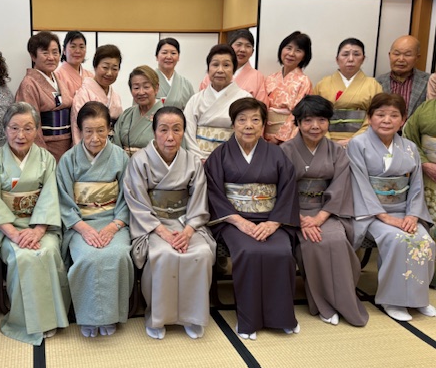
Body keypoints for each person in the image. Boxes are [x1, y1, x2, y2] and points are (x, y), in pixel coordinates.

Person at [0, 102, 70, 345]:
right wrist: (14, 234)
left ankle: (53, 318)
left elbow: (50, 196)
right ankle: (26, 323)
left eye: (28, 128)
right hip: (7, 228)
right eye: (14, 128)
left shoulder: (46, 159)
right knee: (24, 256)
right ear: (5, 129)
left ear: (37, 130)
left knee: (48, 251)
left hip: (41, 226)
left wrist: (38, 230)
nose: (21, 135)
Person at [205, 97, 300, 340]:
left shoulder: (277, 154)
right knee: (248, 251)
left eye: (255, 120)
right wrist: (239, 221)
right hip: (233, 221)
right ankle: (248, 320)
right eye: (242, 120)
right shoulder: (219, 155)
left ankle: (282, 318)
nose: (249, 125)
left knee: (282, 252)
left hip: (271, 219)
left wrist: (274, 222)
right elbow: (214, 193)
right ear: (233, 124)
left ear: (263, 124)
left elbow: (288, 189)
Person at [124, 107, 215, 340]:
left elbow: (198, 200)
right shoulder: (139, 161)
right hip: (153, 224)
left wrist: (188, 231)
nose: (170, 137)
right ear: (154, 132)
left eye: (177, 130)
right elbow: (137, 201)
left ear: (184, 132)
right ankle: (158, 317)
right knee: (163, 253)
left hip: (186, 222)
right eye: (163, 130)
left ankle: (192, 317)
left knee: (201, 253)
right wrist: (162, 232)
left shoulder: (192, 161)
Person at [281, 96, 368, 326]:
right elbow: (281, 189)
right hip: (293, 213)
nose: (315, 126)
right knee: (312, 243)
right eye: (308, 120)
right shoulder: (285, 150)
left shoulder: (337, 151)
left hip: (327, 210)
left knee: (336, 239)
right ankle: (323, 305)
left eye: (321, 120)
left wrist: (320, 217)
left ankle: (342, 302)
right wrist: (300, 219)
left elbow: (340, 186)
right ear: (298, 123)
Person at [347, 93, 435, 321]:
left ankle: (418, 299)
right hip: (371, 213)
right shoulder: (357, 144)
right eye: (380, 114)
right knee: (398, 240)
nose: (387, 120)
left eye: (394, 115)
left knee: (425, 242)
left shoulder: (410, 147)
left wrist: (413, 215)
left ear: (403, 119)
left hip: (404, 211)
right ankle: (392, 300)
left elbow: (416, 185)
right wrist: (384, 217)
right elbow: (359, 184)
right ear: (369, 117)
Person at [57, 102, 133, 338]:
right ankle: (88, 317)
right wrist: (83, 229)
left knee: (118, 254)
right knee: (88, 256)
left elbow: (128, 197)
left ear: (109, 129)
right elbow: (63, 200)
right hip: (80, 223)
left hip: (113, 221)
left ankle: (111, 315)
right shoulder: (68, 159)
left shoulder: (120, 157)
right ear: (79, 130)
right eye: (88, 131)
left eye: (101, 130)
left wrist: (114, 226)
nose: (95, 138)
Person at [184, 44, 251, 161]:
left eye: (226, 65)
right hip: (198, 160)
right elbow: (187, 133)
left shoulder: (245, 99)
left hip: (232, 159)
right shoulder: (195, 100)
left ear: (234, 69)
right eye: (215, 65)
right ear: (208, 69)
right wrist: (199, 158)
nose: (220, 70)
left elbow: (248, 132)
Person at [15, 31, 73, 162]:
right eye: (45, 53)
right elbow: (28, 123)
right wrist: (42, 156)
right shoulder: (29, 84)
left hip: (67, 146)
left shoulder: (58, 79)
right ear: (33, 56)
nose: (51, 57)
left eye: (55, 52)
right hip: (47, 147)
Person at [313, 38, 382, 147]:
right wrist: (328, 141)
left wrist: (354, 140)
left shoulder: (373, 85)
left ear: (363, 59)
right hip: (325, 142)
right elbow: (313, 114)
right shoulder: (322, 84)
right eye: (345, 54)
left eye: (356, 54)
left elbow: (378, 116)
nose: (350, 59)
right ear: (337, 59)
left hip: (362, 142)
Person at [400, 98, 436, 287]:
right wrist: (425, 163)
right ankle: (430, 276)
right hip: (428, 175)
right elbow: (409, 137)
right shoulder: (426, 108)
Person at [264, 31, 313, 144]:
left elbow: (299, 113)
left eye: (298, 50)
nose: (291, 54)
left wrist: (278, 138)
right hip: (264, 135)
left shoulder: (304, 81)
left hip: (286, 139)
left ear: (304, 56)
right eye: (288, 48)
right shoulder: (270, 78)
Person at [70, 44, 123, 144]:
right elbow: (77, 129)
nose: (109, 73)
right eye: (105, 67)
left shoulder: (115, 96)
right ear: (95, 66)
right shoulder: (83, 94)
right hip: (90, 145)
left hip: (113, 147)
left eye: (114, 69)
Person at [198, 29, 267, 103]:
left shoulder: (257, 77)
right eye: (238, 44)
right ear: (230, 47)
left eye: (248, 46)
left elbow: (262, 106)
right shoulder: (213, 74)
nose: (242, 50)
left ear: (252, 52)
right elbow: (200, 101)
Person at [113, 65, 162, 157]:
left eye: (146, 87)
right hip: (124, 163)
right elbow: (115, 144)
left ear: (156, 88)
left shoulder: (165, 116)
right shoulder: (127, 114)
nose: (141, 92)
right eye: (136, 88)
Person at [375, 35, 428, 119]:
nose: (401, 59)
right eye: (396, 54)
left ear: (417, 58)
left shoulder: (429, 81)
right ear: (389, 55)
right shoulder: (376, 82)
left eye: (407, 55)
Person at [153, 37, 194, 109]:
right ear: (157, 56)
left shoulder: (186, 84)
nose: (169, 57)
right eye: (164, 53)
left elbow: (192, 110)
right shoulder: (148, 80)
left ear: (178, 57)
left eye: (173, 53)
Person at [55, 30, 93, 96]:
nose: (78, 51)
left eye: (81, 47)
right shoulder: (57, 76)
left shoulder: (90, 76)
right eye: (73, 46)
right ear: (64, 50)